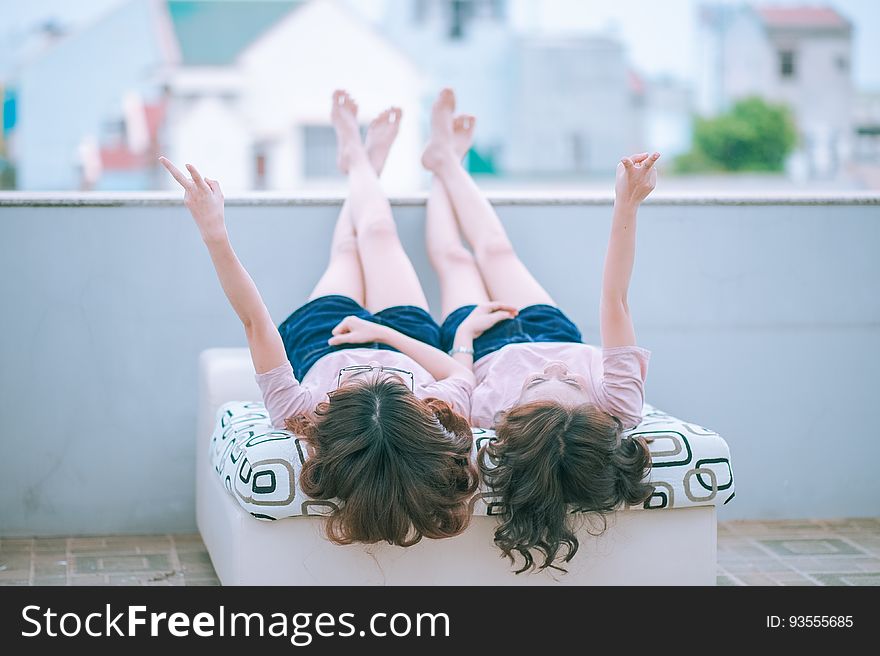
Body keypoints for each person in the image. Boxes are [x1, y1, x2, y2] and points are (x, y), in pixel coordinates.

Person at [160, 90, 508, 548]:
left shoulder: (300, 413)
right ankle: (364, 165)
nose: (370, 377)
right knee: (379, 233)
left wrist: (215, 235)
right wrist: (386, 333)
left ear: (333, 412)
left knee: (348, 247)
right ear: (415, 412)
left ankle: (359, 158)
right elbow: (459, 372)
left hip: (324, 338)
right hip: (404, 336)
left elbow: (255, 322)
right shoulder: (438, 414)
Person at [422, 89, 656, 573]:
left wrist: (464, 335)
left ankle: (441, 167)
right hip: (554, 329)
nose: (549, 370)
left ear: (514, 418)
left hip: (482, 341)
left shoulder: (490, 415)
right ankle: (446, 162)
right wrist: (626, 204)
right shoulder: (619, 406)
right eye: (571, 381)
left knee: (455, 260)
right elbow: (615, 299)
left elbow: (456, 375)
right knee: (496, 250)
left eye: (536, 384)